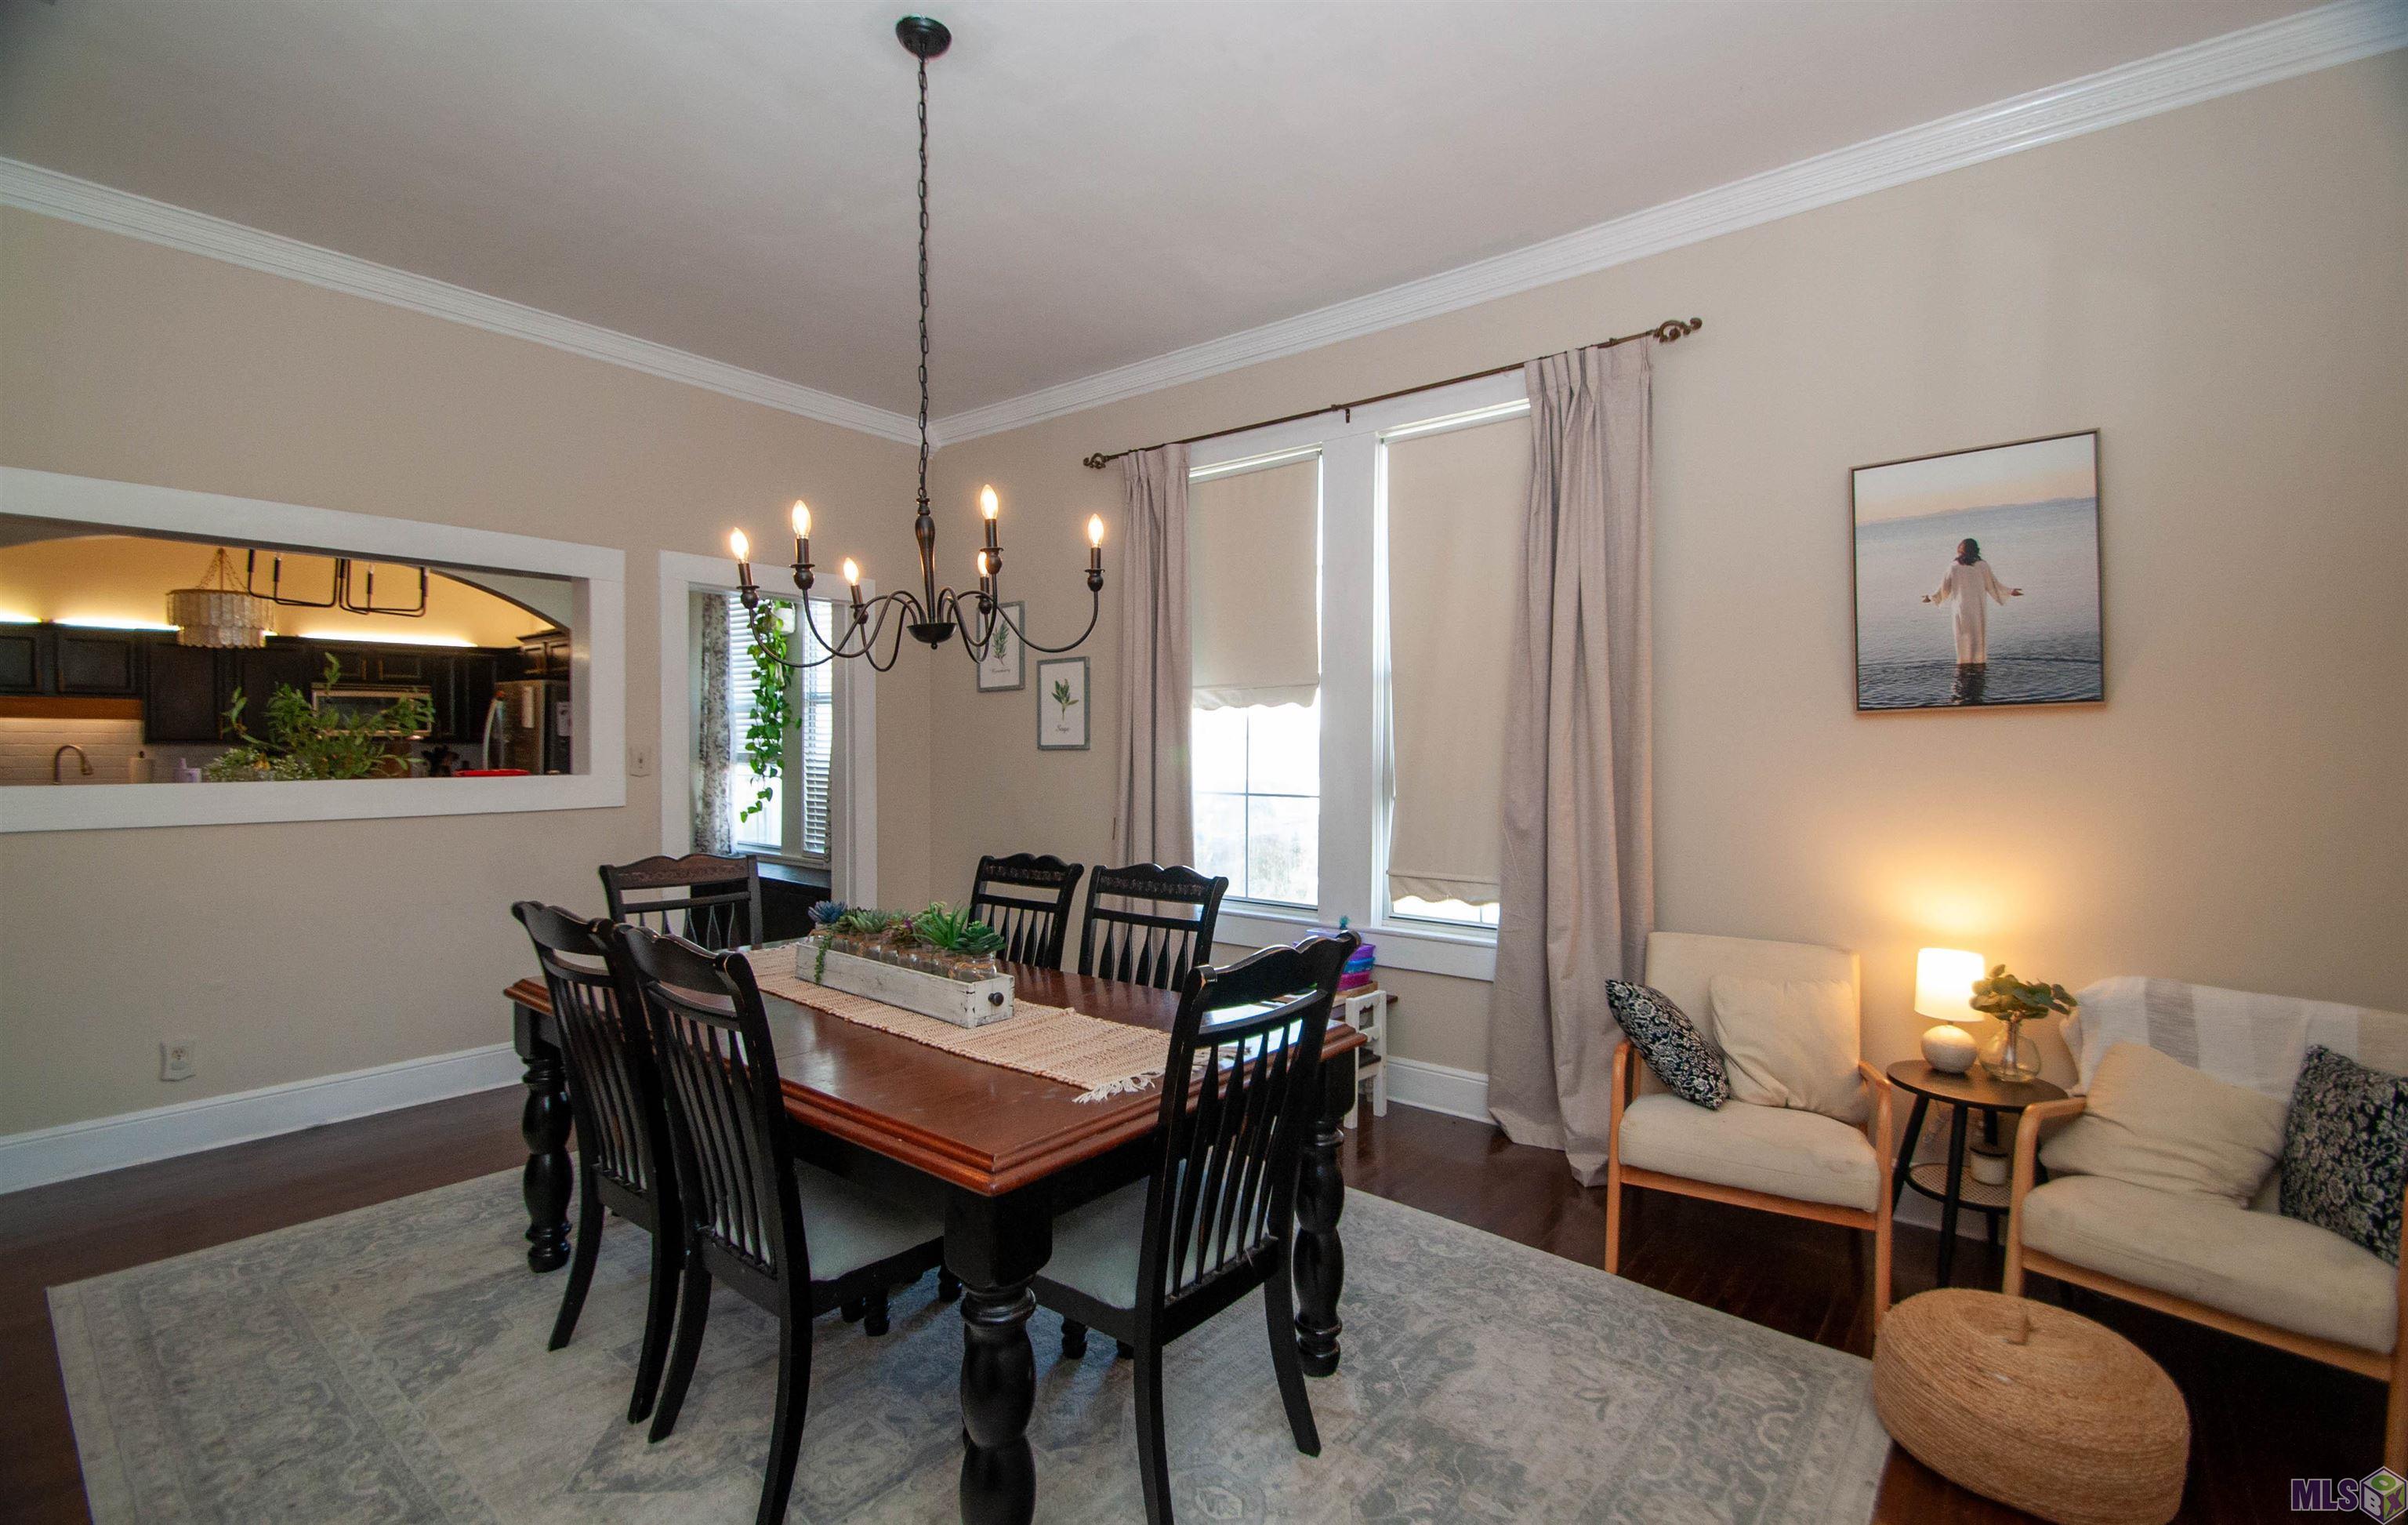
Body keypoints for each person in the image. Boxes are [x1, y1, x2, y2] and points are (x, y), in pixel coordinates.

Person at [1923, 537, 2021, 665]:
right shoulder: (1982, 566)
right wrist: (2010, 591)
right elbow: (1993, 585)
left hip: (1960, 609)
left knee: (1962, 636)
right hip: (1977, 608)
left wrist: (1930, 597)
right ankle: (1979, 664)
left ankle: (1964, 664)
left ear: (1960, 550)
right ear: (1976, 550)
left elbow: (1943, 589)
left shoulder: (1953, 567)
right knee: (1977, 637)